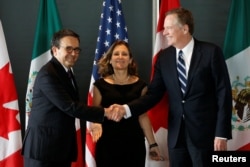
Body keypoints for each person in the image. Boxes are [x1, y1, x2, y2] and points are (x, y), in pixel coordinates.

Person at [110, 7, 232, 167]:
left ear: (185, 28)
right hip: (176, 136)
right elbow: (153, 94)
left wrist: (221, 134)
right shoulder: (164, 57)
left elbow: (224, 94)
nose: (164, 32)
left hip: (205, 135)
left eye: (168, 28)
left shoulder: (211, 52)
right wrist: (126, 109)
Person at [22, 29, 113, 167]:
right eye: (69, 49)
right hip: (43, 151)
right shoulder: (48, 74)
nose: (74, 54)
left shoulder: (66, 71)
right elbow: (69, 106)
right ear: (55, 50)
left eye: (77, 50)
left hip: (59, 149)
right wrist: (106, 112)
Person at [89, 40, 163, 167]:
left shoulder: (141, 85)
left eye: (124, 54)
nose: (120, 57)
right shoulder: (99, 85)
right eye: (116, 54)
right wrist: (96, 123)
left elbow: (143, 116)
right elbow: (96, 113)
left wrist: (152, 144)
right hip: (107, 144)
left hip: (134, 143)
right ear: (110, 59)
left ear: (130, 60)